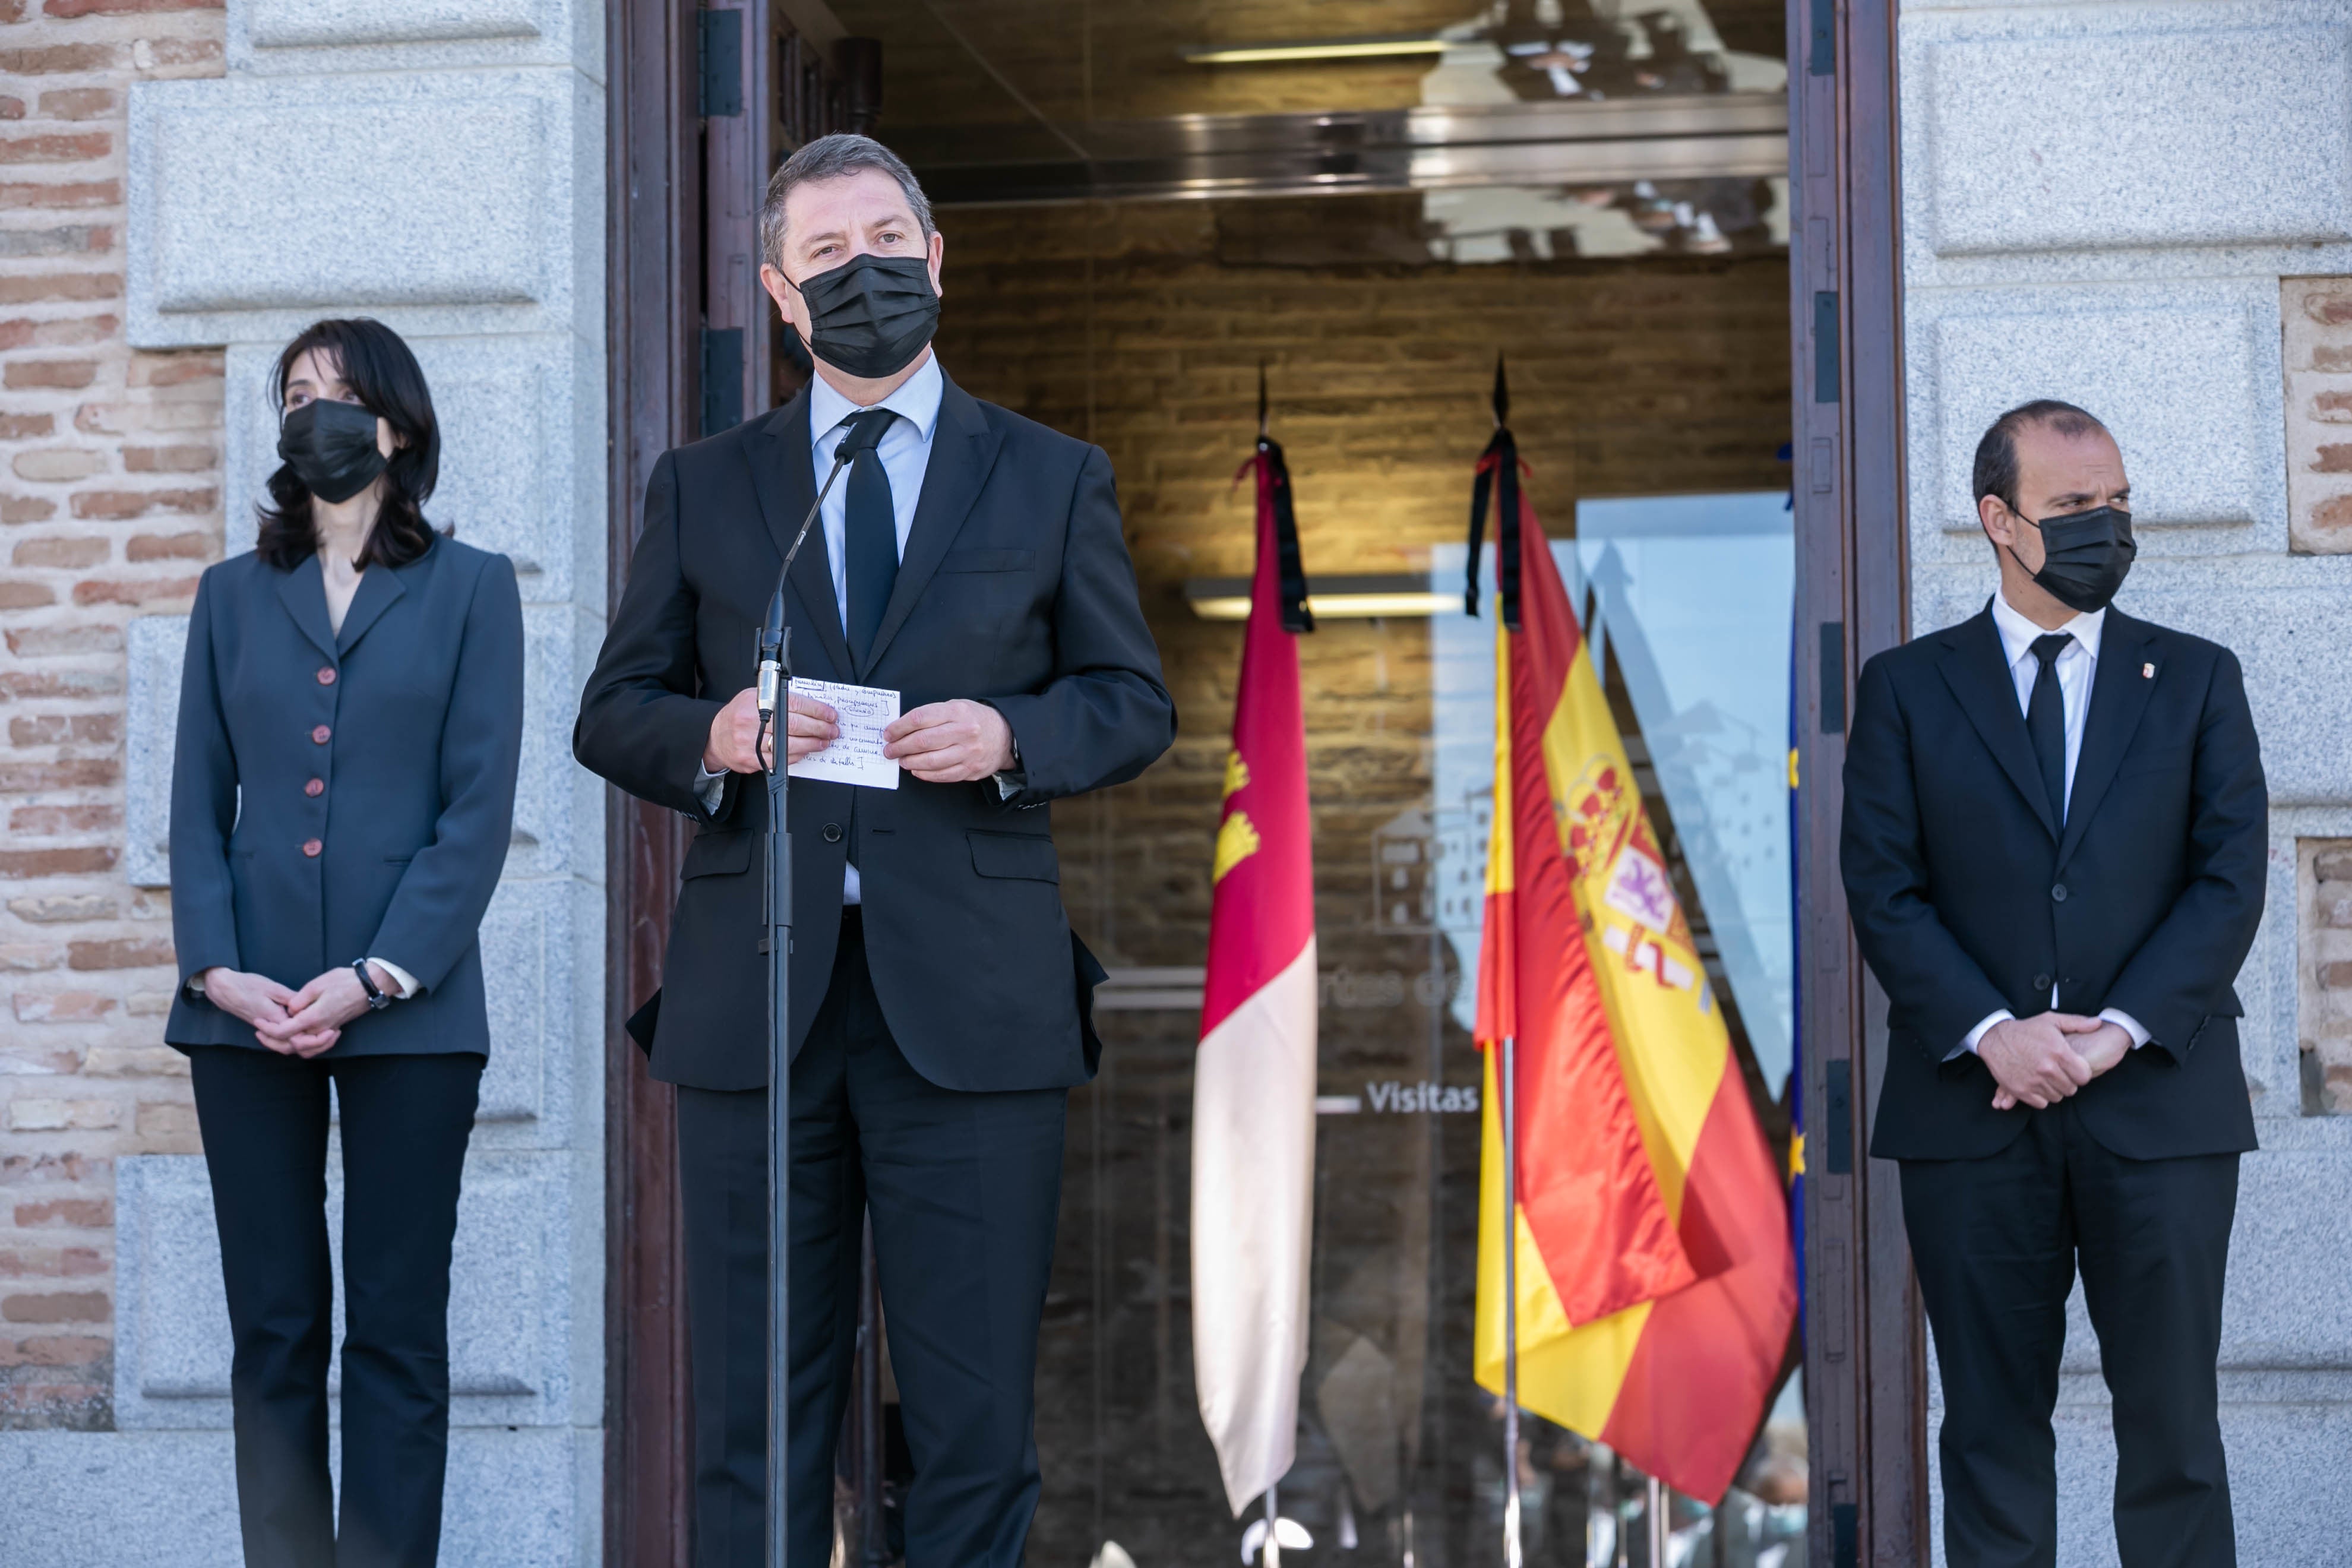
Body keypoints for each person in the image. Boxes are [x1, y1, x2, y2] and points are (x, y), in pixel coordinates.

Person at [574, 133, 1174, 1566]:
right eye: (829, 257)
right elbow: (616, 712)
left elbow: (1130, 702)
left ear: (937, 258)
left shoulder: (1050, 475)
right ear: (783, 296)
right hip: (755, 1011)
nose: (866, 274)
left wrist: (1014, 738)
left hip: (971, 1009)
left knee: (972, 1424)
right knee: (756, 1423)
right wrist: (713, 738)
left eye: (887, 241)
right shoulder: (709, 487)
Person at [1841, 400, 2265, 1567]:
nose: (2107, 525)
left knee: (2176, 1438)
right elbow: (1882, 885)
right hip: (1972, 1117)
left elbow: (2229, 882)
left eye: (2118, 502)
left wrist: (2115, 1033)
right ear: (2000, 520)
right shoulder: (1908, 689)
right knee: (1988, 1437)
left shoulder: (2196, 680)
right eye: (2074, 507)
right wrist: (1992, 1033)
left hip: (2160, 1107)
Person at [167, 318, 525, 1568]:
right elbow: (195, 808)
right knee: (271, 1329)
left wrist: (377, 975)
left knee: (393, 1331)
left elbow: (479, 815)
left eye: (342, 393)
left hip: (412, 1013)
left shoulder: (476, 589)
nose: (315, 411)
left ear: (401, 426)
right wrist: (215, 969)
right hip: (243, 1008)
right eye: (295, 393)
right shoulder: (228, 597)